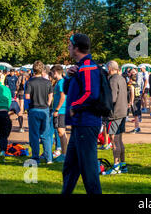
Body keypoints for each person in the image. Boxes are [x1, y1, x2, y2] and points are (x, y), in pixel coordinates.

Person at [62, 33, 102, 194]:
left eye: (70, 45)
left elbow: (90, 94)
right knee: (70, 168)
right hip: (79, 124)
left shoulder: (88, 67)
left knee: (89, 170)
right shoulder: (80, 68)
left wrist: (74, 106)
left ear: (77, 47)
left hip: (87, 123)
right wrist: (68, 76)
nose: (69, 48)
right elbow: (67, 90)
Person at [25, 61, 54, 164]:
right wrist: (48, 103)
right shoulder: (47, 82)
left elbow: (27, 96)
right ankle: (49, 158)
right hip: (45, 109)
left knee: (34, 135)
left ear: (33, 70)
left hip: (34, 109)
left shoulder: (30, 82)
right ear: (42, 70)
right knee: (46, 134)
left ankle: (36, 157)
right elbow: (51, 94)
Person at [103, 61, 129, 175]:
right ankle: (123, 165)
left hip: (115, 113)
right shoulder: (121, 78)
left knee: (114, 141)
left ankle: (116, 166)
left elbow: (112, 98)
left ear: (109, 68)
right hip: (123, 111)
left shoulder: (113, 80)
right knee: (119, 140)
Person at [50, 65, 67, 163]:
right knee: (62, 133)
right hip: (62, 110)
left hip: (61, 111)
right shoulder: (59, 82)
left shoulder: (61, 82)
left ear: (56, 72)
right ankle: (65, 153)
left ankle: (64, 155)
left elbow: (63, 97)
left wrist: (56, 109)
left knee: (61, 133)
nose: (51, 75)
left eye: (52, 73)